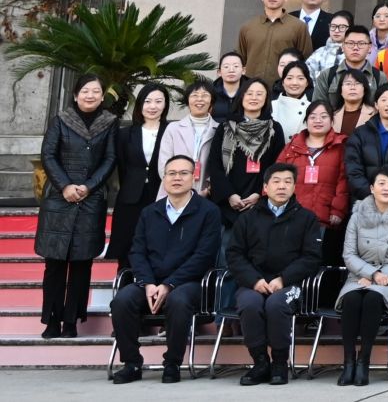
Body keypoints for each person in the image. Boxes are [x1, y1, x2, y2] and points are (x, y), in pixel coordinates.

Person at [108, 154, 222, 383]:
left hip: (191, 283)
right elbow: (137, 252)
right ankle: (131, 363)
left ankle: (172, 363)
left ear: (194, 177)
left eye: (183, 173)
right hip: (151, 282)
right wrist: (148, 283)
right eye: (171, 173)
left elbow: (204, 256)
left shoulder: (208, 211)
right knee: (122, 301)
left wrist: (170, 284)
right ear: (164, 178)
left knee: (178, 301)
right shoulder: (150, 212)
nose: (177, 178)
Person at [227, 163, 326, 385]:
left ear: (294, 187)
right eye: (276, 181)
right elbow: (234, 255)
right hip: (254, 282)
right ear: (265, 187)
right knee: (249, 304)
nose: (282, 186)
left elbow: (311, 257)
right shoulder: (248, 218)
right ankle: (260, 362)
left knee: (276, 304)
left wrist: (283, 278)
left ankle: (280, 362)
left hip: (290, 284)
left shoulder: (306, 218)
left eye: (288, 182)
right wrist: (254, 280)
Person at [334, 169, 388, 387]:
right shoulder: (357, 215)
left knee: (372, 299)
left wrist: (380, 276)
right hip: (359, 276)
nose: (386, 188)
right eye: (381, 183)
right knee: (352, 300)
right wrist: (370, 274)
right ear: (372, 188)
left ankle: (364, 361)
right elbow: (348, 254)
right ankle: (348, 362)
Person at [110, 83, 173, 270]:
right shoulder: (125, 134)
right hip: (130, 198)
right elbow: (122, 166)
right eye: (148, 101)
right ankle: (126, 283)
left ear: (165, 105)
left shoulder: (172, 131)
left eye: (158, 101)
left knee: (157, 245)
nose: (153, 106)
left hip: (161, 195)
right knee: (128, 246)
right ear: (140, 104)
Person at [278, 101, 347, 257]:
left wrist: (338, 210)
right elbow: (276, 177)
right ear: (306, 120)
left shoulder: (340, 146)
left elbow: (343, 181)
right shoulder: (292, 146)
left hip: (324, 216)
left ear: (332, 121)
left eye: (324, 116)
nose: (318, 121)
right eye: (313, 117)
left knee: (316, 259)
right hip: (292, 215)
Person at [209, 79, 287, 216]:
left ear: (266, 99)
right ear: (241, 96)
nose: (254, 98)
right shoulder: (226, 127)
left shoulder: (274, 129)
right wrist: (229, 194)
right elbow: (215, 164)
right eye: (249, 93)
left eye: (259, 94)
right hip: (227, 202)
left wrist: (259, 193)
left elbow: (277, 165)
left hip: (260, 201)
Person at [239, 0, 312, 87]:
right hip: (251, 89)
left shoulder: (299, 27)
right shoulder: (248, 27)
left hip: (284, 89)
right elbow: (240, 60)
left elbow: (306, 61)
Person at [162, 81, 220, 201]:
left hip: (206, 193)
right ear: (187, 100)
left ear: (212, 100)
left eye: (205, 95)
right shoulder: (173, 128)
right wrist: (177, 186)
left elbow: (221, 164)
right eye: (194, 95)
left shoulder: (220, 129)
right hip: (173, 192)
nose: (199, 99)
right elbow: (163, 162)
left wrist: (208, 187)